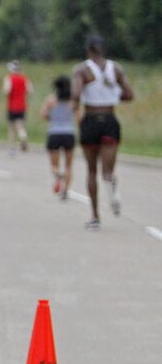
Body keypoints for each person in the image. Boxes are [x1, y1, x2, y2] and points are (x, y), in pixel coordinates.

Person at [71, 35, 134, 230]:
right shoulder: (115, 69)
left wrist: (78, 106)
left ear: (88, 50)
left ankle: (95, 216)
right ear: (103, 49)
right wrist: (112, 93)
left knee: (91, 170)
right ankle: (111, 185)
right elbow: (129, 95)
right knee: (107, 170)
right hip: (109, 119)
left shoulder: (82, 70)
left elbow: (76, 95)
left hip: (90, 119)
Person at [39, 76, 75, 200]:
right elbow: (79, 117)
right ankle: (65, 191)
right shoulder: (73, 101)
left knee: (54, 165)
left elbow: (43, 115)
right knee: (68, 165)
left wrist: (53, 118)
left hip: (54, 133)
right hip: (69, 133)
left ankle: (58, 175)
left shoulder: (51, 100)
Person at [4, 60, 32, 152]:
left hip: (12, 106)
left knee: (12, 127)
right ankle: (23, 136)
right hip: (22, 105)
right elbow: (30, 90)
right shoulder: (24, 78)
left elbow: (7, 90)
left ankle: (12, 146)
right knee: (20, 125)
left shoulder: (9, 78)